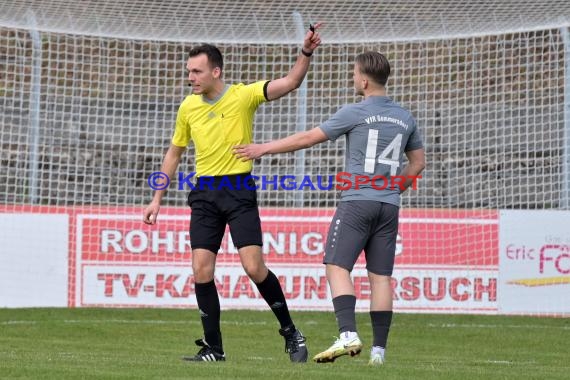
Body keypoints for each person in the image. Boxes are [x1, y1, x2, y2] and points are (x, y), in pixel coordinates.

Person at [142, 24, 322, 363]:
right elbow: (174, 153)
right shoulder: (188, 107)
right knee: (201, 269)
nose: (190, 77)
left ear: (215, 71)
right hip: (205, 192)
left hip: (238, 190)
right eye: (188, 71)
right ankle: (214, 348)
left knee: (254, 268)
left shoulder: (243, 95)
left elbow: (291, 82)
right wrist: (156, 198)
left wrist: (306, 52)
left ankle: (290, 332)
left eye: (196, 71)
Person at [233, 51, 425, 366]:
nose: (353, 78)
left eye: (354, 74)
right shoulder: (405, 116)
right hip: (389, 206)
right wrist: (392, 189)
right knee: (380, 278)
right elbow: (418, 164)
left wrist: (264, 147)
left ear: (363, 79)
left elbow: (309, 138)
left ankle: (347, 333)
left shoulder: (356, 111)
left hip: (357, 203)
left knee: (337, 266)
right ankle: (379, 354)